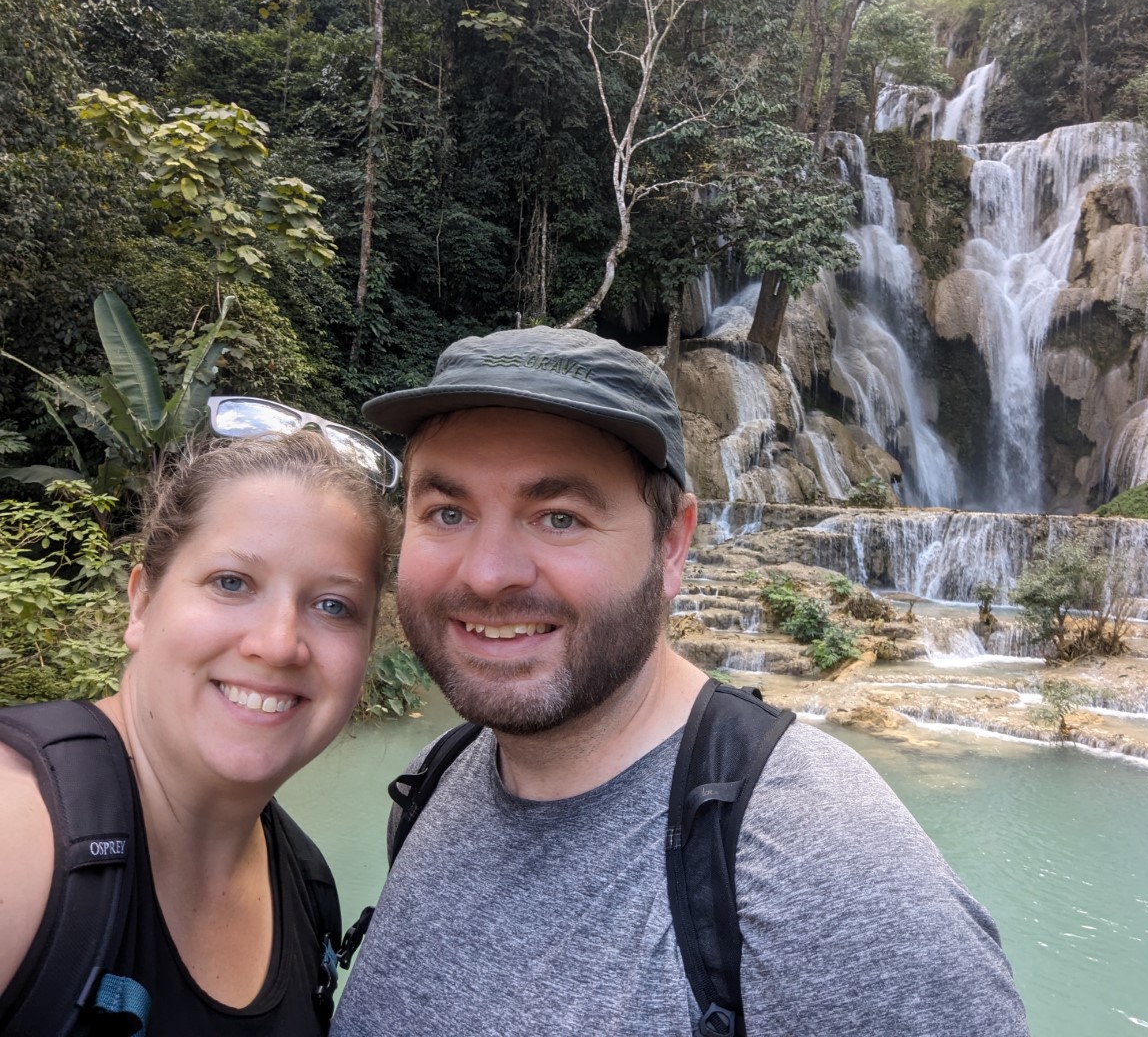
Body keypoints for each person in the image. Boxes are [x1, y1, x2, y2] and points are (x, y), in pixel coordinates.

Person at [331, 327, 1030, 1036]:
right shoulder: (433, 782)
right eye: (448, 513)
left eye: (559, 518)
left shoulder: (827, 867)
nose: (487, 572)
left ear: (671, 546)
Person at [0, 401, 401, 1037]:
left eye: (332, 605)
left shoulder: (306, 884)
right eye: (232, 582)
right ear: (142, 601)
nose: (278, 643)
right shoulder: (21, 837)